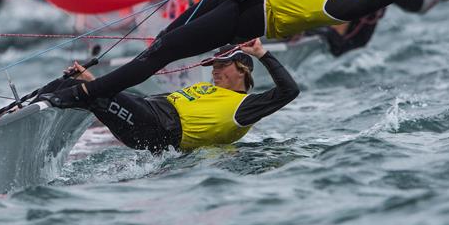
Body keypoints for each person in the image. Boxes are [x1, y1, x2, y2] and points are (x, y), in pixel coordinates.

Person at [42, 0, 444, 107]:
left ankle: (85, 96)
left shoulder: (346, 1)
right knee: (161, 38)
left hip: (248, 17)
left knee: (161, 54)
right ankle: (85, 87)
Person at [51, 39, 298, 152]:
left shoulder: (245, 107)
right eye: (213, 65)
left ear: (242, 69)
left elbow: (290, 91)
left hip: (156, 127)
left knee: (89, 93)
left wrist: (262, 54)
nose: (215, 70)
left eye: (222, 65)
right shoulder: (208, 90)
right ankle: (25, 108)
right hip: (147, 111)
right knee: (77, 85)